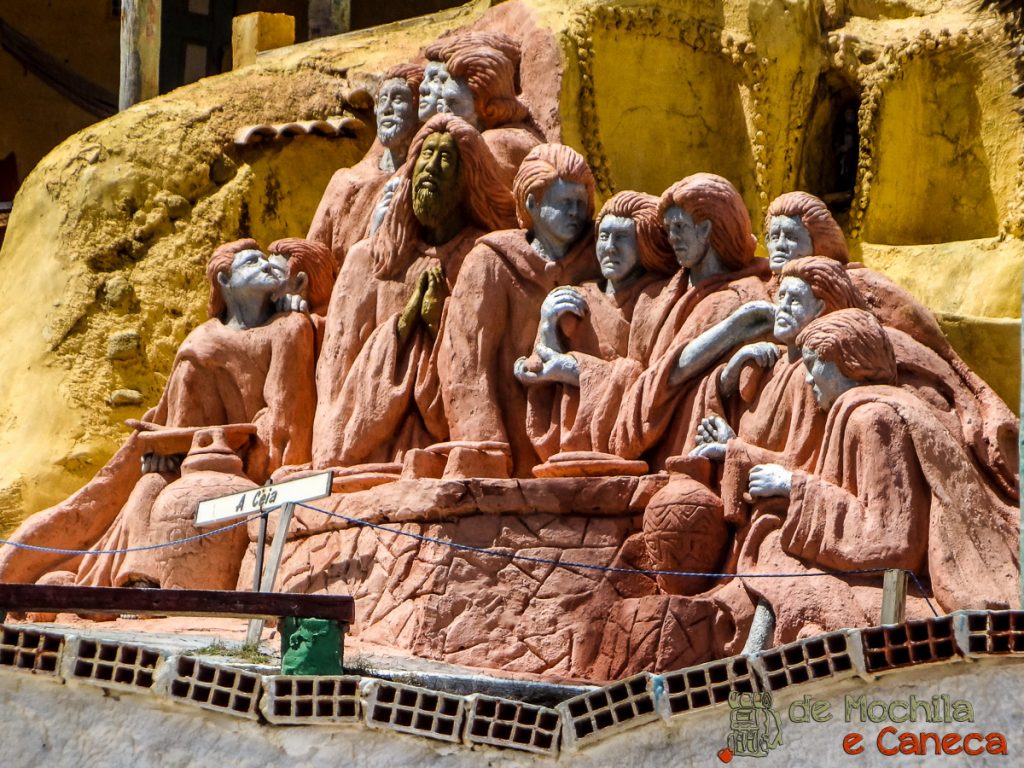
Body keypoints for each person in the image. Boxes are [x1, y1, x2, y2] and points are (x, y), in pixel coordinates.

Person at [0, 239, 326, 587]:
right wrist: (164, 452)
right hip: (202, 461)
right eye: (251, 262)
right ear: (224, 281)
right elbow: (181, 421)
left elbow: (286, 416)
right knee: (149, 486)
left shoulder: (288, 326)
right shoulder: (200, 343)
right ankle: (134, 579)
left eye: (266, 261)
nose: (264, 265)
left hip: (255, 465)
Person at [735, 309, 1019, 644]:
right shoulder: (867, 411)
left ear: (847, 361)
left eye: (814, 365)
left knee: (779, 559)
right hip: (885, 584)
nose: (808, 380)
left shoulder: (872, 419)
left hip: (897, 591)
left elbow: (894, 541)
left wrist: (791, 486)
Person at [764, 191, 1018, 498]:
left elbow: (925, 337)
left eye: (791, 236)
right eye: (773, 236)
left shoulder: (856, 283)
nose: (780, 244)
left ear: (818, 241)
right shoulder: (771, 291)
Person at [312, 114, 516, 469]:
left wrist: (438, 325)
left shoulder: (483, 259)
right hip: (368, 458)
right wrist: (405, 324)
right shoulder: (370, 261)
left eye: (445, 158)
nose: (431, 168)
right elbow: (335, 375)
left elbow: (492, 376)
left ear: (468, 177)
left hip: (442, 454)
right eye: (426, 156)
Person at [436, 143, 599, 477]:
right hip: (510, 451)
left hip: (579, 448)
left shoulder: (600, 259)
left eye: (581, 203)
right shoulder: (490, 263)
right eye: (564, 202)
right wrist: (484, 449)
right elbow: (467, 363)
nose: (575, 213)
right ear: (532, 204)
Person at [516, 190, 676, 461]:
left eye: (622, 237)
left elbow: (656, 382)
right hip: (569, 445)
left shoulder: (661, 299)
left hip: (639, 443)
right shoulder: (575, 298)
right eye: (604, 236)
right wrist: (548, 324)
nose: (610, 247)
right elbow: (543, 376)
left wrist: (575, 369)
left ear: (644, 244)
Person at [307, 63, 423, 268]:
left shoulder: (420, 179)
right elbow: (313, 255)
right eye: (383, 100)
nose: (387, 109)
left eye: (398, 99)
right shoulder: (345, 180)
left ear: (418, 108)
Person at [421, 31, 542, 188]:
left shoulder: (495, 145)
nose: (442, 112)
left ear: (490, 111)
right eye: (442, 100)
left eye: (453, 103)